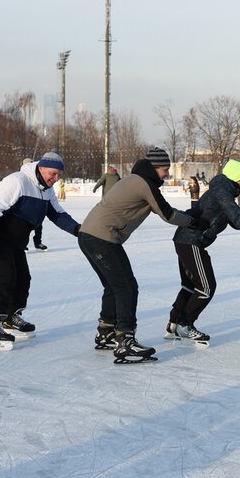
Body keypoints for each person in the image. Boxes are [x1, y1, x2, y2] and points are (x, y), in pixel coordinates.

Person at [77, 147, 194, 364]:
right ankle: (125, 340)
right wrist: (194, 221)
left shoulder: (133, 180)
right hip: (102, 238)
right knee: (126, 287)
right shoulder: (143, 183)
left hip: (90, 235)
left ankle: (107, 332)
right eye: (164, 169)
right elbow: (167, 214)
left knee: (114, 286)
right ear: (153, 168)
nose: (167, 174)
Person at [0, 150, 80, 351]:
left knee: (23, 278)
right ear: (41, 168)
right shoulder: (17, 181)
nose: (55, 178)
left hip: (14, 243)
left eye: (58, 175)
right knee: (4, 280)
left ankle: (11, 318)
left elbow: (58, 215)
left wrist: (80, 231)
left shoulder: (47, 190)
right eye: (52, 174)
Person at [168, 160, 240, 347]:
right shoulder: (222, 192)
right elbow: (238, 221)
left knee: (191, 285)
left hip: (186, 241)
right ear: (236, 177)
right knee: (206, 287)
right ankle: (185, 324)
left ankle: (174, 323)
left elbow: (233, 221)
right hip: (191, 241)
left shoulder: (223, 191)